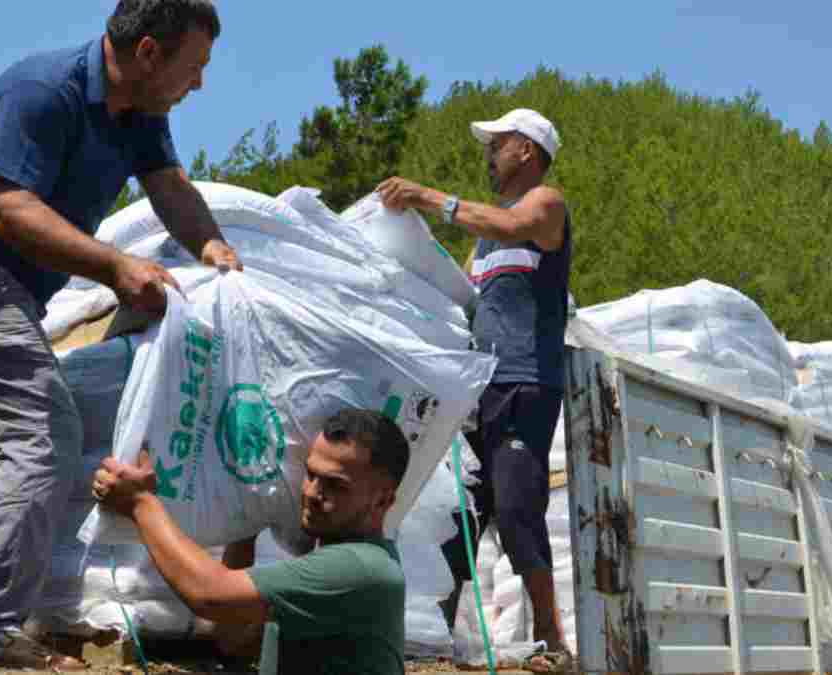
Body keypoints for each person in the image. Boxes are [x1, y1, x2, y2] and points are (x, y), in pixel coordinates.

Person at [0, 1, 240, 670]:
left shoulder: (141, 115)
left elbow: (170, 189)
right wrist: (115, 265)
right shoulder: (43, 91)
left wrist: (215, 248)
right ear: (148, 53)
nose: (198, 83)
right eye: (194, 66)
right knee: (42, 435)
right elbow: (9, 208)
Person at [377, 108, 572, 670]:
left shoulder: (545, 205)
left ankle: (552, 641)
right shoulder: (483, 248)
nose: (489, 153)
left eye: (498, 143)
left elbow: (508, 225)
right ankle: (438, 634)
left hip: (525, 381)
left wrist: (427, 197)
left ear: (527, 152)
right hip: (480, 388)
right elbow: (463, 299)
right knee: (463, 512)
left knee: (515, 508)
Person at [92, 408, 409, 674]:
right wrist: (245, 523)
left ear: (383, 501)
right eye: (311, 475)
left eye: (336, 486)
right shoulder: (338, 566)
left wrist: (140, 503)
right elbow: (234, 642)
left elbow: (210, 596)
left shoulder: (359, 567)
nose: (311, 493)